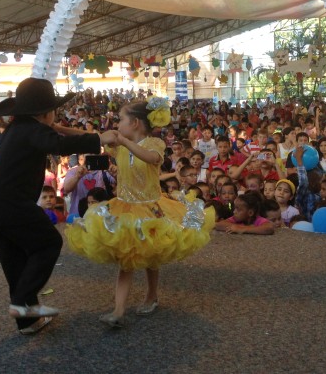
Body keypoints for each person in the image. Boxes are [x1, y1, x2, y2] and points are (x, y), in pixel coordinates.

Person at [0, 78, 117, 336]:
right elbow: (58, 145)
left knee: (15, 261)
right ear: (44, 112)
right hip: (10, 205)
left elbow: (54, 134)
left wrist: (78, 132)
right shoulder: (32, 129)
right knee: (48, 243)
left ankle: (26, 321)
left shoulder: (20, 127)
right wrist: (98, 139)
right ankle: (21, 304)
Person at [65, 97, 215, 329]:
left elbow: (151, 159)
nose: (117, 124)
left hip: (151, 207)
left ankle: (152, 295)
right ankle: (118, 309)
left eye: (121, 120)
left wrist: (124, 141)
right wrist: (58, 128)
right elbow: (90, 138)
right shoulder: (118, 145)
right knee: (127, 259)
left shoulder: (154, 143)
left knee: (151, 255)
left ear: (135, 122)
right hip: (124, 207)